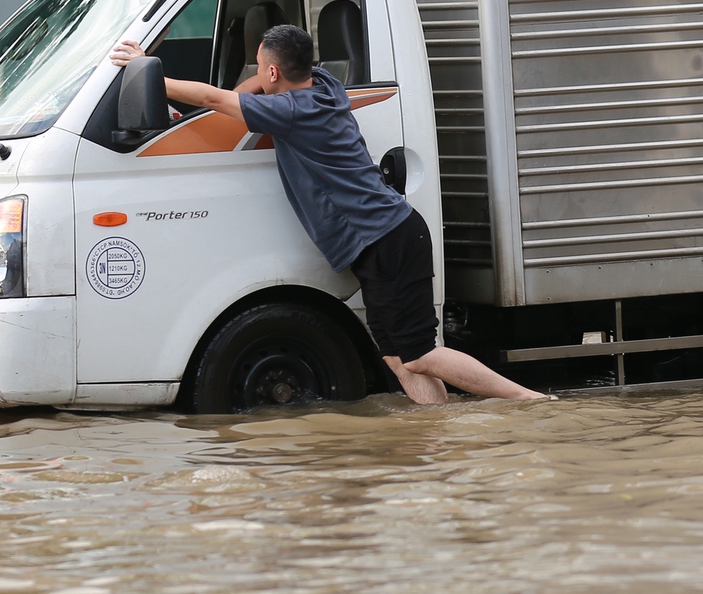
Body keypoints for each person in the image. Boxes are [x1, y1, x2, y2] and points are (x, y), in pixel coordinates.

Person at [110, 23, 546, 406]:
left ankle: (529, 399)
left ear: (274, 73)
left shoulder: (294, 112)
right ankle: (437, 426)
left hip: (388, 238)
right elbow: (237, 95)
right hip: (386, 238)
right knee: (396, 357)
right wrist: (254, 81)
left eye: (260, 67)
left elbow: (214, 97)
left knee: (418, 352)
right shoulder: (322, 84)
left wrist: (149, 69)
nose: (256, 75)